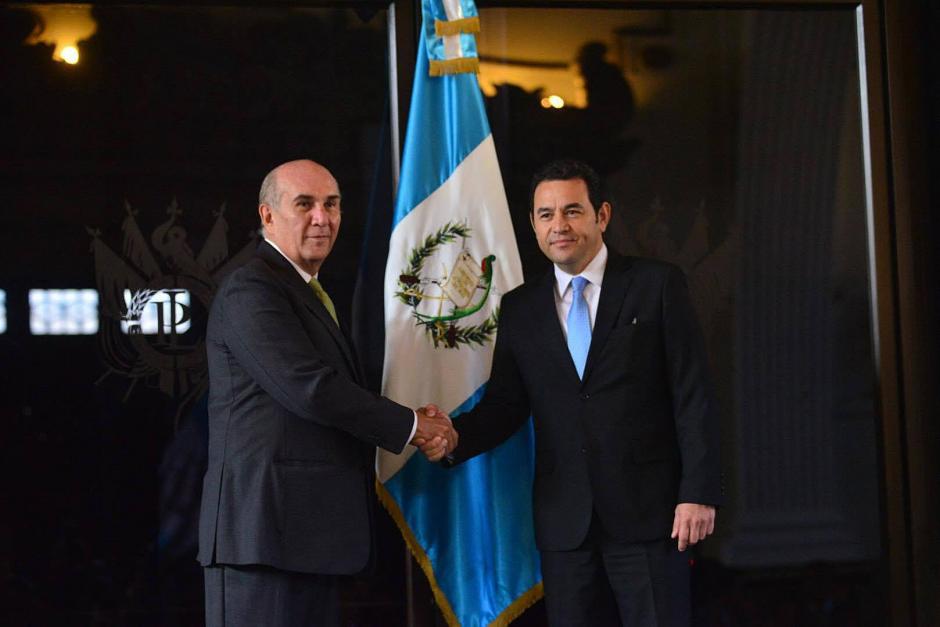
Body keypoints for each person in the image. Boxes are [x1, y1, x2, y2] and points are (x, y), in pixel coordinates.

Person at [419, 159, 721, 627]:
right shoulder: (519, 308)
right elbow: (506, 406)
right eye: (546, 215)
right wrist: (452, 437)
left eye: (572, 211)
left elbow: (692, 394)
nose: (559, 225)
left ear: (602, 216)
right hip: (564, 523)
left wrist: (697, 492)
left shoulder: (655, 285)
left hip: (650, 515)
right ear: (533, 225)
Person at [198, 159, 456, 627]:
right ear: (267, 216)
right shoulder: (251, 289)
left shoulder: (305, 289)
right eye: (305, 204)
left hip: (301, 538)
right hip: (265, 538)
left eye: (332, 204)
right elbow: (311, 391)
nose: (323, 218)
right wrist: (414, 426)